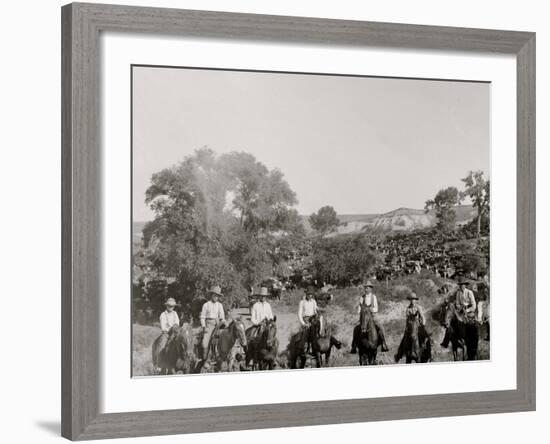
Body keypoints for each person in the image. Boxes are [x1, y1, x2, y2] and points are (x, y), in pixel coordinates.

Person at [350, 281, 389, 353]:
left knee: (380, 326)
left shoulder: (374, 297)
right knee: (356, 328)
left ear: (371, 289)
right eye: (365, 288)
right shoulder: (362, 297)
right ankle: (354, 346)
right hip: (363, 316)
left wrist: (372, 310)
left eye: (367, 288)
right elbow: (359, 307)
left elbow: (376, 308)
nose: (366, 289)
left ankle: (384, 344)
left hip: (372, 316)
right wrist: (359, 311)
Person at [441, 280, 477, 348]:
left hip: (469, 310)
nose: (461, 286)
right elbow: (457, 303)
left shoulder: (469, 292)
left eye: (463, 285)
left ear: (465, 285)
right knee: (451, 322)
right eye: (460, 285)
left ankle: (470, 340)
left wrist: (467, 310)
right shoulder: (458, 293)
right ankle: (446, 341)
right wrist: (460, 308)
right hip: (460, 310)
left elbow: (474, 305)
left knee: (471, 325)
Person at [395, 293, 427, 362]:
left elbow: (423, 317)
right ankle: (400, 353)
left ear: (416, 300)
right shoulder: (408, 308)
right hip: (410, 326)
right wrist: (407, 327)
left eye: (414, 299)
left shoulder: (418, 308)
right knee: (404, 338)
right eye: (411, 299)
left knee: (424, 336)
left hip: (418, 325)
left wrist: (423, 325)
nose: (412, 301)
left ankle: (426, 349)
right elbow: (407, 319)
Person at [200, 285, 225, 361]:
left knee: (223, 338)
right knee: (205, 342)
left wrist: (221, 322)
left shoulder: (220, 305)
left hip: (218, 324)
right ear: (211, 295)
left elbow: (222, 316)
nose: (216, 297)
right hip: (209, 324)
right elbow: (202, 317)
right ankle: (205, 358)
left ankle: (221, 356)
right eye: (214, 295)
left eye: (217, 296)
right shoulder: (206, 305)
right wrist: (204, 326)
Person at [298, 286, 318, 354]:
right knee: (307, 331)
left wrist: (317, 312)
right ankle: (304, 347)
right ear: (306, 294)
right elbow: (299, 314)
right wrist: (303, 323)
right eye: (309, 294)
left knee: (320, 328)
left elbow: (315, 310)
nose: (310, 295)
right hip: (305, 319)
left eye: (311, 294)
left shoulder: (314, 301)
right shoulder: (302, 302)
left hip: (313, 319)